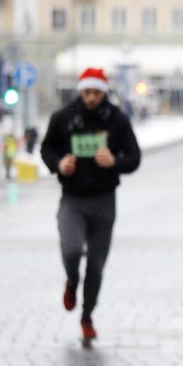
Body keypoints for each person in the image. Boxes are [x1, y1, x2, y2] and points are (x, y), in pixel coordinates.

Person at [40, 67, 141, 342]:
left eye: (97, 93)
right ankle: (72, 281)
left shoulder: (116, 120)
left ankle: (87, 316)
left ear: (103, 92)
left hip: (104, 201)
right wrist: (59, 163)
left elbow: (134, 157)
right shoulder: (64, 117)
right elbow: (47, 149)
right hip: (72, 199)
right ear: (80, 91)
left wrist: (115, 161)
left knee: (96, 265)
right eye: (87, 92)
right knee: (71, 249)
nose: (92, 98)